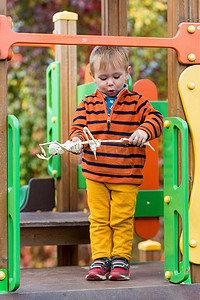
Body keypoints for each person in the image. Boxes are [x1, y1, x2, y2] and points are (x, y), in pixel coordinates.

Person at [69, 46, 163, 281]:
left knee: (121, 219)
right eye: (103, 78)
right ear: (93, 77)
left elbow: (156, 119)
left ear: (127, 73)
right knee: (99, 219)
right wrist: (76, 141)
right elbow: (78, 129)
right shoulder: (87, 104)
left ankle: (121, 260)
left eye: (116, 77)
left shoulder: (137, 102)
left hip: (126, 174)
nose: (110, 83)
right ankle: (100, 259)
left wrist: (144, 130)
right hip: (96, 174)